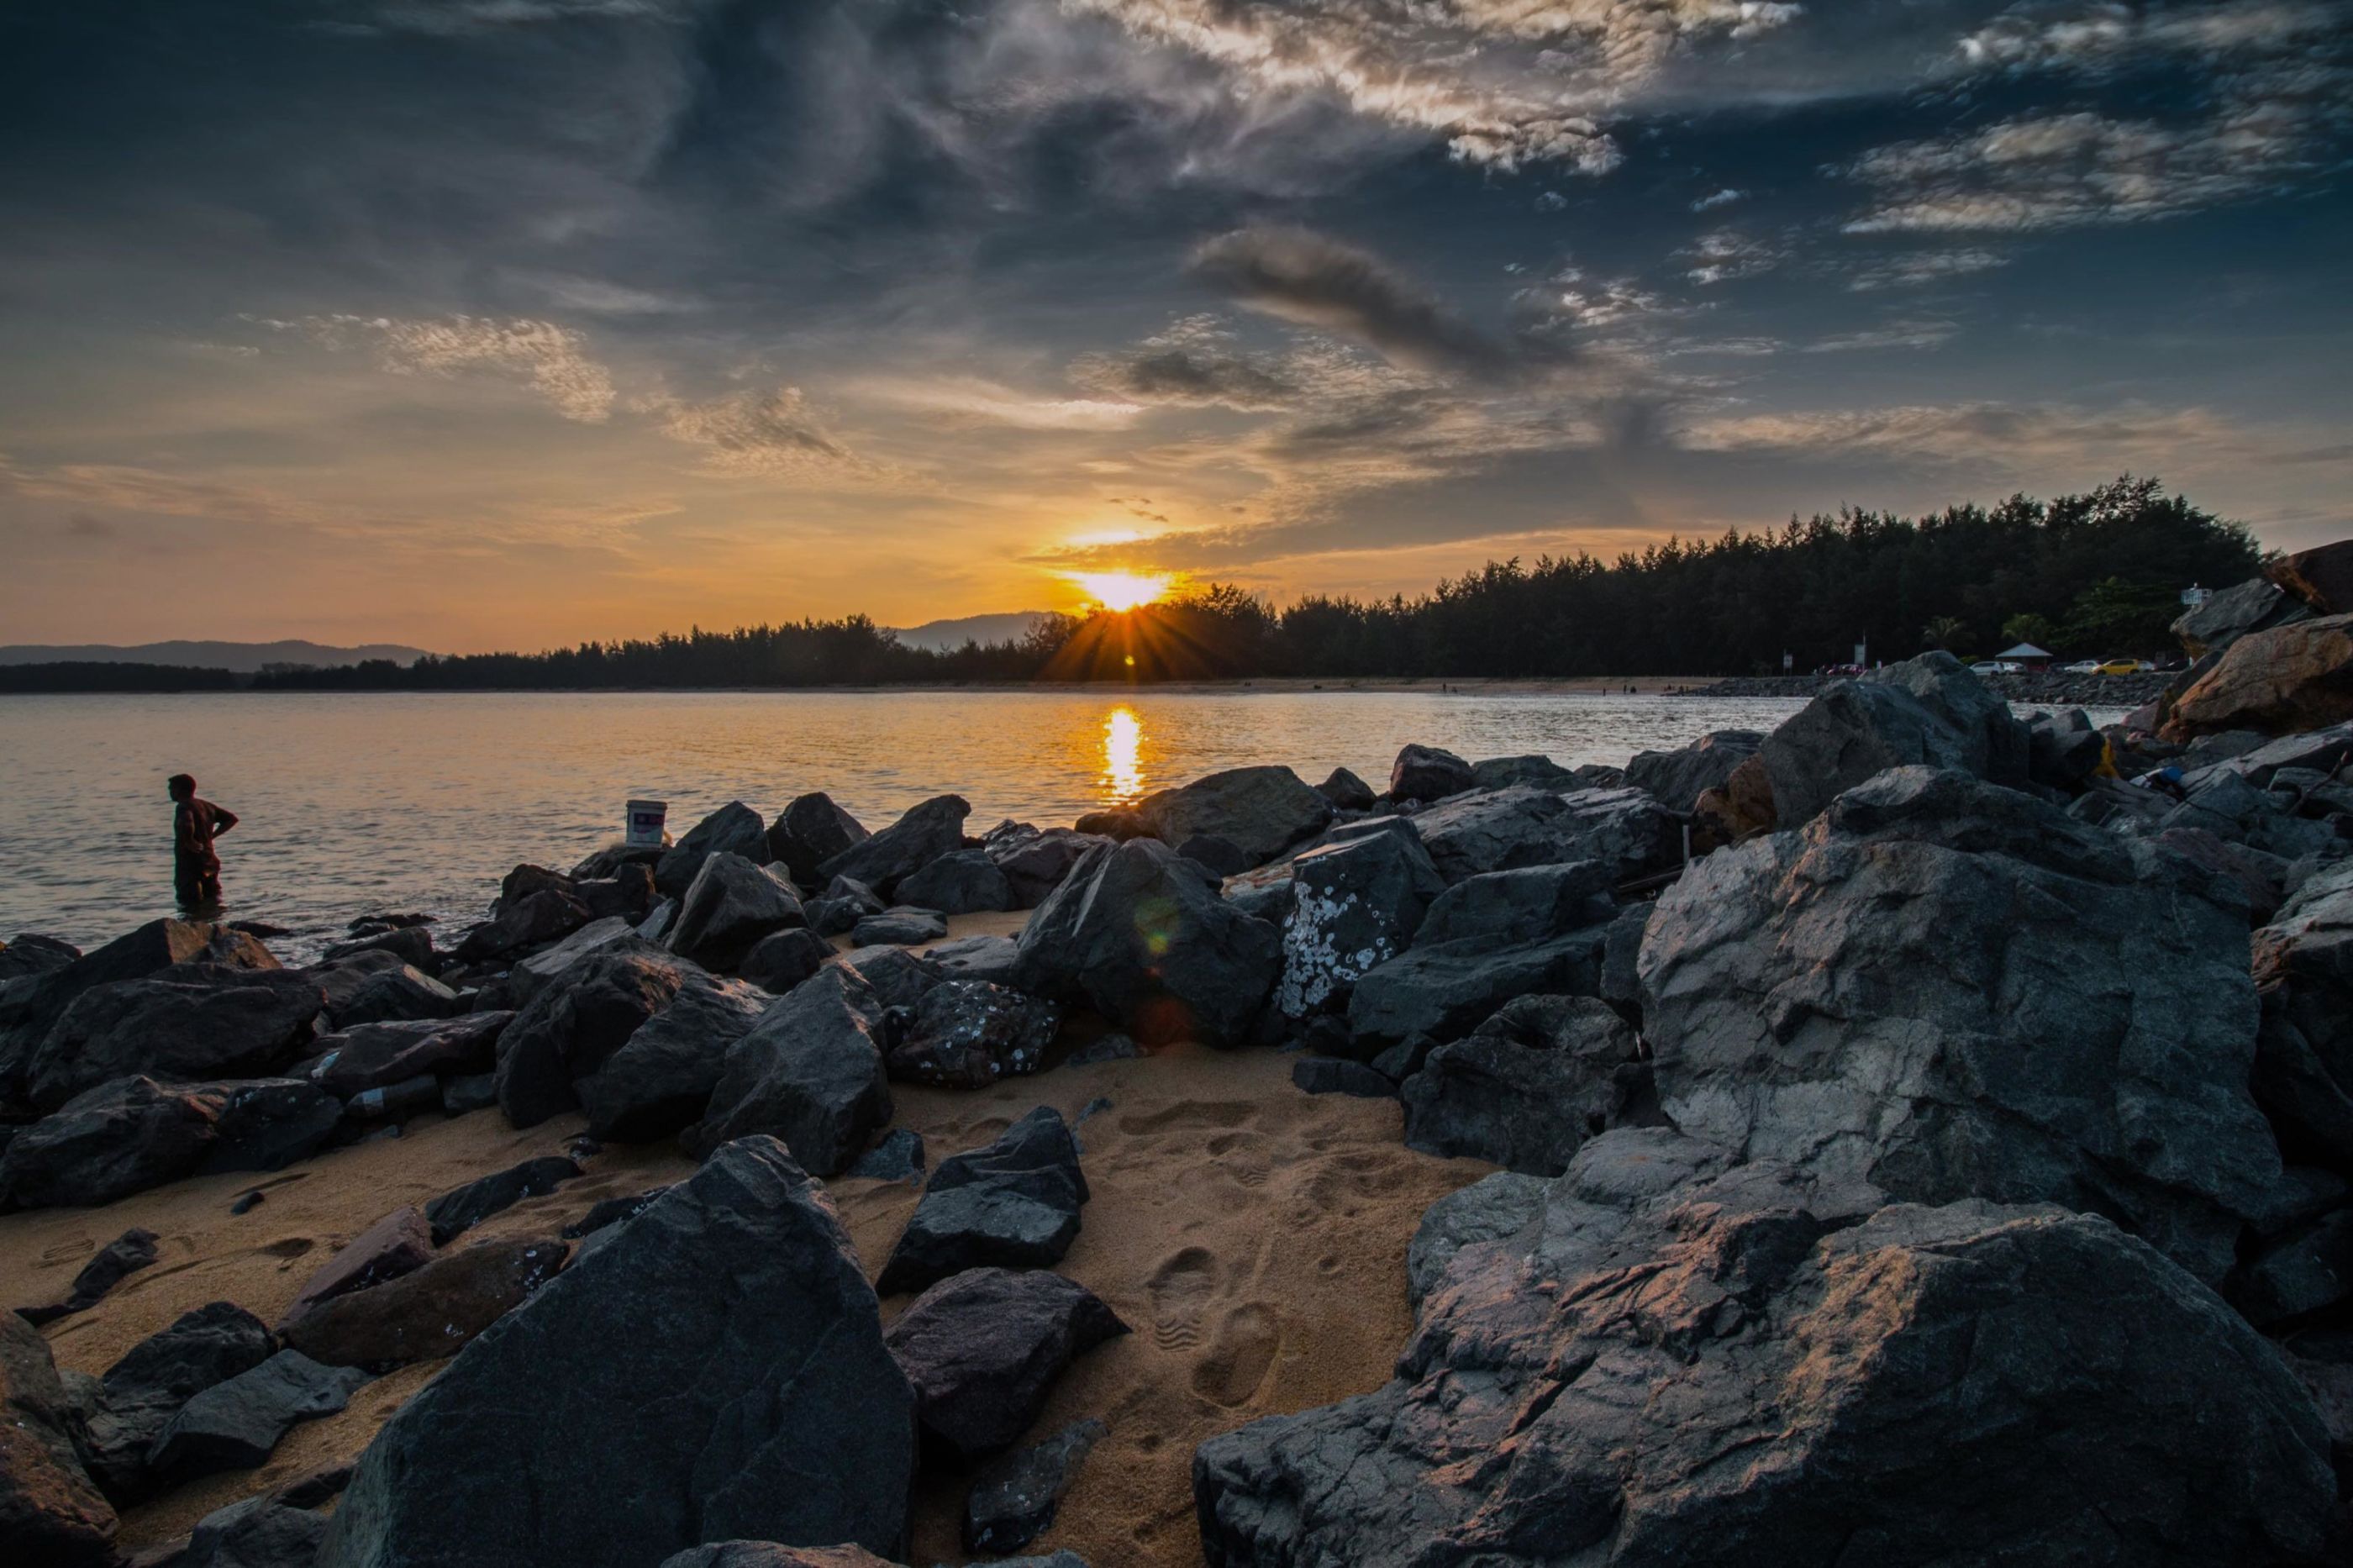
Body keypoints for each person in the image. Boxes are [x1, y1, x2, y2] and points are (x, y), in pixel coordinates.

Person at [167, 773, 237, 911]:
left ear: (180, 789)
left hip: (190, 864)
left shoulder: (183, 806)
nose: (170, 791)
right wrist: (212, 836)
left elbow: (187, 821)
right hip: (210, 861)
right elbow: (231, 819)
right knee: (212, 901)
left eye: (171, 788)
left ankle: (193, 929)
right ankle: (214, 927)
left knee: (188, 903)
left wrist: (189, 840)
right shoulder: (206, 805)